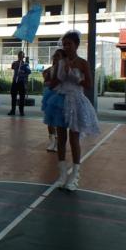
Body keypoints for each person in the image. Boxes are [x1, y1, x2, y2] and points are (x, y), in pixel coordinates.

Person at [43, 31, 100, 191]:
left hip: (76, 101)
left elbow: (88, 84)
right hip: (60, 101)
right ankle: (62, 175)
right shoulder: (61, 62)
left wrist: (75, 76)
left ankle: (75, 176)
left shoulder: (83, 63)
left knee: (74, 139)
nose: (66, 47)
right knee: (61, 139)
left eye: (69, 44)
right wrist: (53, 78)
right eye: (64, 44)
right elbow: (53, 83)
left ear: (76, 45)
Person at [42, 49, 66, 151]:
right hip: (50, 94)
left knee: (59, 120)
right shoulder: (50, 70)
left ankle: (58, 142)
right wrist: (48, 80)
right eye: (55, 56)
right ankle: (52, 141)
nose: (55, 58)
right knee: (50, 119)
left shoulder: (65, 69)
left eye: (58, 56)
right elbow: (46, 82)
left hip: (61, 95)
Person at [8, 51, 31, 116]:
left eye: (22, 56)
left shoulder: (25, 64)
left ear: (23, 57)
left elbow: (29, 72)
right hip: (15, 81)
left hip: (22, 82)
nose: (21, 57)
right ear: (18, 56)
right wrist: (17, 65)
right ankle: (13, 110)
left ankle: (21, 111)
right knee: (13, 96)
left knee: (22, 97)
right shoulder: (15, 63)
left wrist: (23, 72)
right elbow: (12, 67)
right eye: (19, 55)